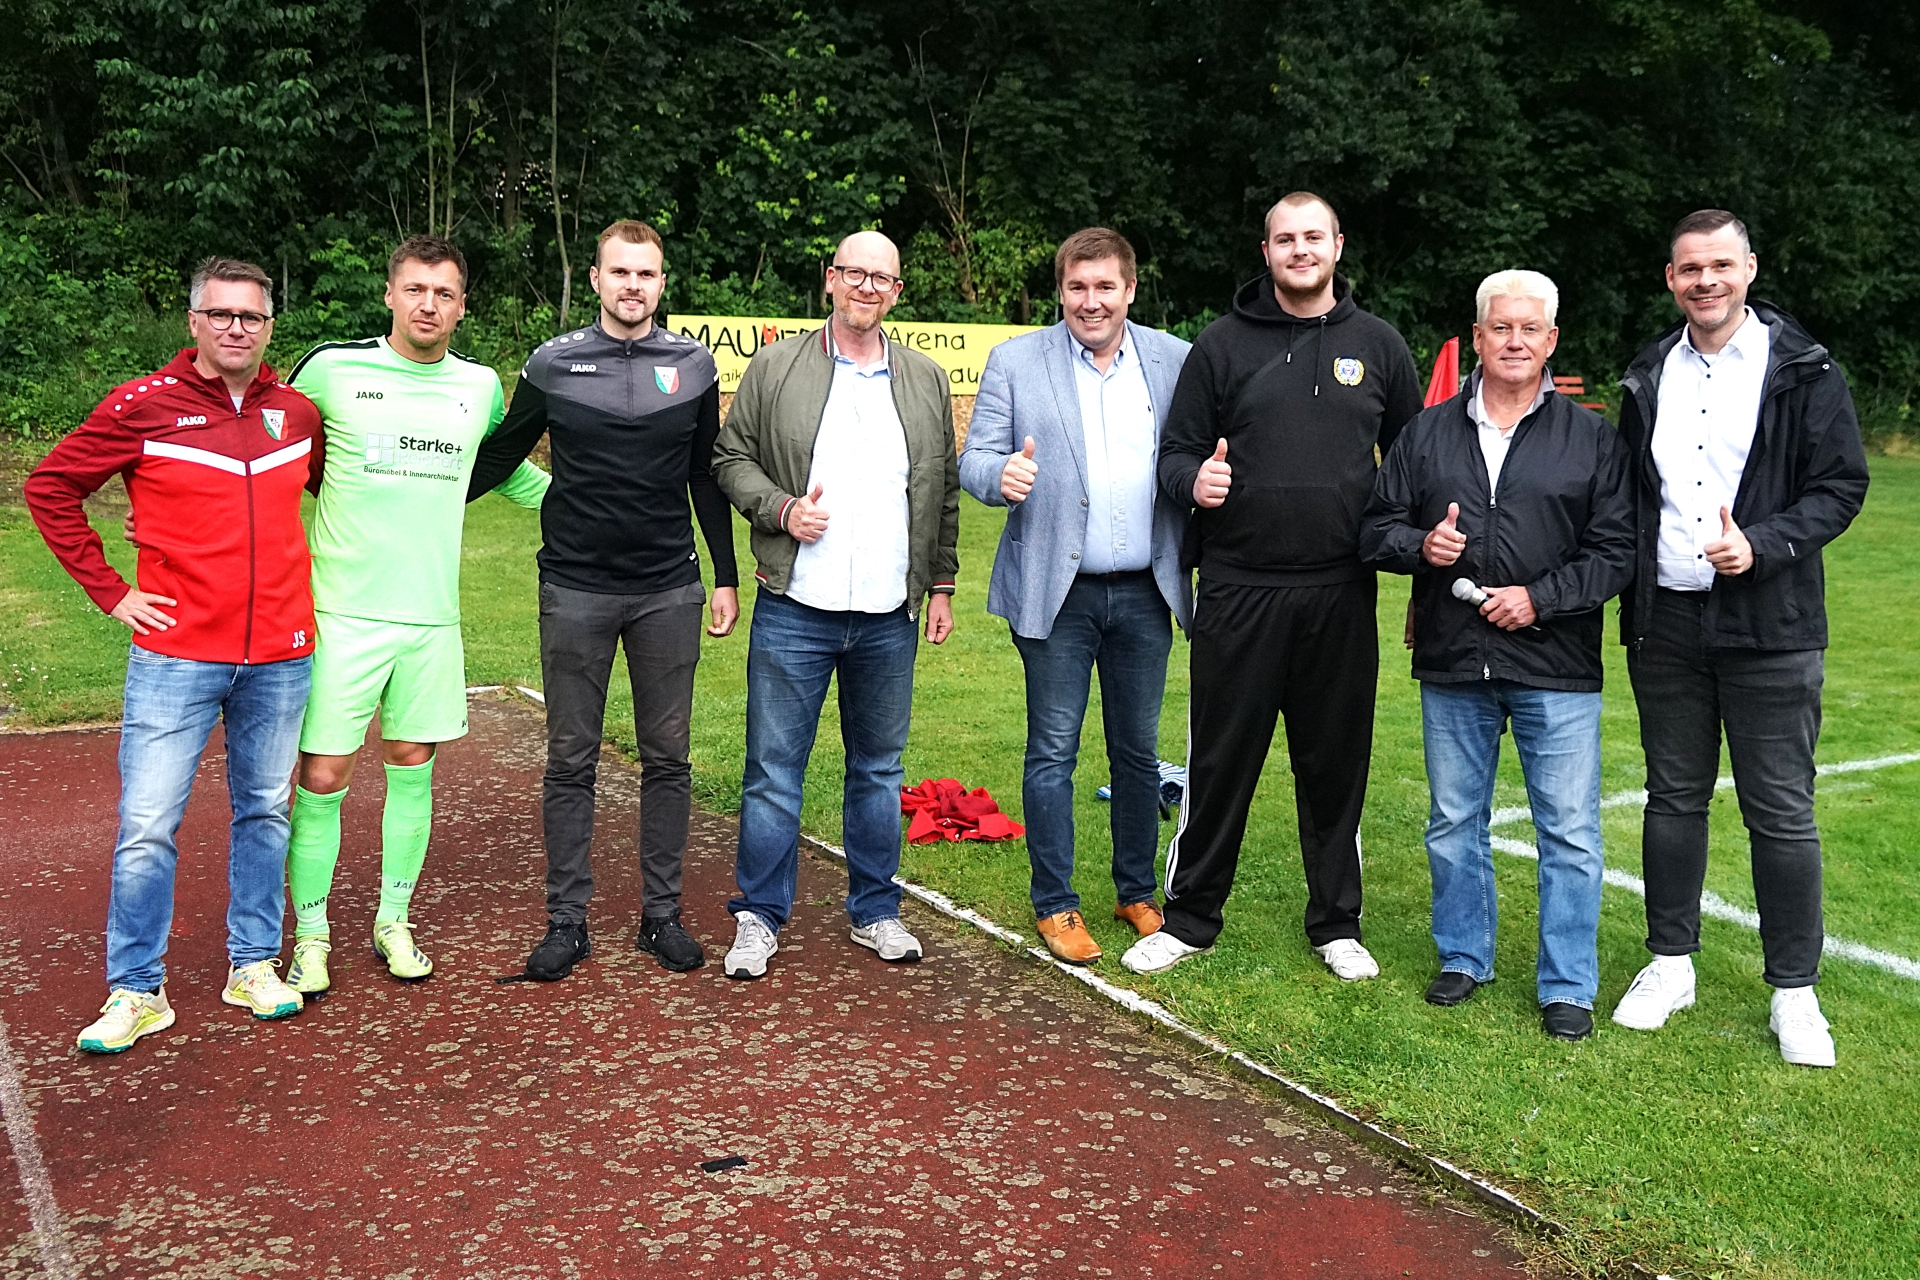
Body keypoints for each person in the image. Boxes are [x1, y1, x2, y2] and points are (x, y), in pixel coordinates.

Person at [27, 258, 322, 1050]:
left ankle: (253, 964)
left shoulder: (297, 414)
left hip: (281, 653)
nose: (237, 328)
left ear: (270, 327)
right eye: (221, 314)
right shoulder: (144, 405)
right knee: (148, 825)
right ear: (194, 322)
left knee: (266, 812)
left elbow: (330, 497)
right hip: (177, 654)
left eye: (251, 317)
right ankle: (136, 988)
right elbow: (50, 488)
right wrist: (112, 592)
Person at [1133, 192, 1422, 977]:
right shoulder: (1221, 344)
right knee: (1220, 761)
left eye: (1312, 237)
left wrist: (1414, 559)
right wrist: (1196, 482)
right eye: (1285, 239)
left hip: (1340, 591)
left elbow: (1415, 465)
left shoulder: (1379, 345)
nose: (1300, 250)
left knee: (1334, 764)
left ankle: (1336, 923)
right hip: (1238, 587)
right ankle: (1190, 918)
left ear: (1338, 245)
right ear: (1265, 252)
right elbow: (1175, 454)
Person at [1608, 210, 1869, 1067]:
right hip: (1668, 622)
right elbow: (1626, 493)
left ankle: (1795, 992)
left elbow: (1841, 485)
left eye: (1721, 264)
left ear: (1749, 268)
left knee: (1781, 811)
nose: (1706, 281)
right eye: (1690, 268)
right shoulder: (1649, 370)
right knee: (1673, 798)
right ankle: (1670, 964)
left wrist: (1762, 544)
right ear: (1671, 279)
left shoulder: (1804, 367)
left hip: (1772, 624)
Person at [1359, 270, 1635, 1041]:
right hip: (1455, 661)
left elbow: (1617, 551)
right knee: (1453, 822)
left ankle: (1568, 984)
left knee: (1570, 832)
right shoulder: (1426, 432)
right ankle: (1464, 955)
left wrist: (1539, 599)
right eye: (1500, 328)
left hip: (1557, 664)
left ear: (1552, 340)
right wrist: (1422, 546)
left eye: (1529, 328)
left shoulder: (1592, 439)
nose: (1515, 341)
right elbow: (1375, 529)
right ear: (1477, 337)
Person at [467, 220, 740, 979]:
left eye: (646, 274)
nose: (632, 286)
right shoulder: (552, 363)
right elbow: (500, 452)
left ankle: (662, 917)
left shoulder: (693, 365)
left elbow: (704, 475)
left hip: (668, 591)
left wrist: (724, 574)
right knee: (570, 760)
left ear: (662, 282)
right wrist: (419, 497)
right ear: (595, 278)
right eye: (620, 272)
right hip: (575, 589)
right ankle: (567, 921)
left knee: (668, 759)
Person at [281, 235, 549, 994]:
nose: (428, 305)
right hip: (342, 614)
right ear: (390, 295)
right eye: (415, 289)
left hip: (430, 618)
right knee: (323, 773)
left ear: (462, 307)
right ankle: (311, 936)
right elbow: (274, 453)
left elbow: (501, 473)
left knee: (411, 766)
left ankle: (393, 922)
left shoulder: (480, 386)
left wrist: (605, 509)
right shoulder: (330, 369)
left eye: (444, 293)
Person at [711, 229, 959, 980]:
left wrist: (941, 584)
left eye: (882, 278)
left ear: (897, 292)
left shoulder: (923, 379)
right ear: (830, 279)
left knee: (879, 771)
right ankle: (759, 917)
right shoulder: (777, 365)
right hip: (795, 606)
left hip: (889, 615)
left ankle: (876, 910)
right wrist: (781, 510)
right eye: (855, 273)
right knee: (772, 773)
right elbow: (730, 458)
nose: (867, 287)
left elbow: (942, 489)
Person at [957, 227, 1191, 965]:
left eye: (1105, 287)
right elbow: (973, 459)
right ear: (1061, 291)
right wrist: (1000, 477)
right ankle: (1055, 903)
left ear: (1130, 289)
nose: (1092, 301)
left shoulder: (1174, 360)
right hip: (1056, 594)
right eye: (1077, 287)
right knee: (1053, 751)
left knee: (1138, 753)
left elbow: (1192, 458)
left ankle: (1135, 890)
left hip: (1147, 590)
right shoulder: (1016, 361)